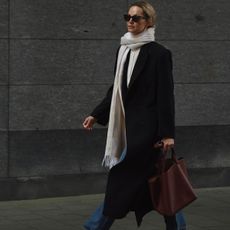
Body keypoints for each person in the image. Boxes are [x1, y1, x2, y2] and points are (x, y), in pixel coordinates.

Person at [82, 1, 186, 229]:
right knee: (158, 183)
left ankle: (95, 225)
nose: (130, 21)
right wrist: (96, 114)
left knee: (121, 179)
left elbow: (165, 96)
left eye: (136, 17)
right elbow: (118, 89)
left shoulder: (160, 54)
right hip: (126, 130)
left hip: (147, 133)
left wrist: (167, 134)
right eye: (127, 16)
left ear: (148, 22)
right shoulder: (123, 50)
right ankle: (177, 225)